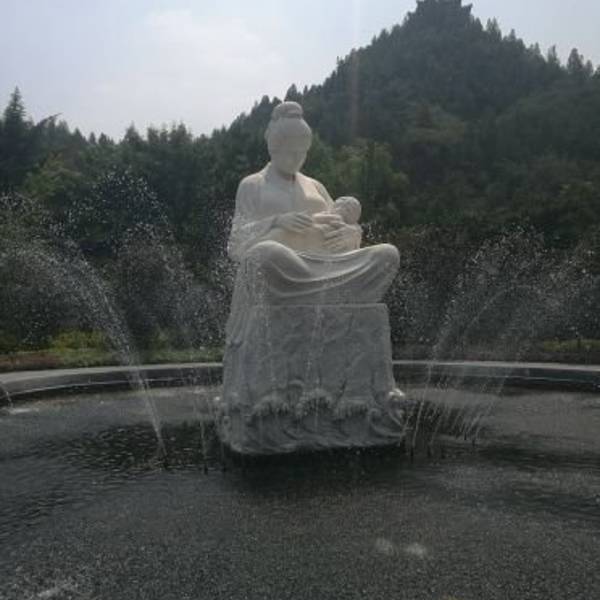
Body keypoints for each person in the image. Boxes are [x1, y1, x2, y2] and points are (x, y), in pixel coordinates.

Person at [225, 101, 399, 345]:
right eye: (290, 151)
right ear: (274, 147)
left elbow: (343, 221)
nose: (297, 158)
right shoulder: (253, 185)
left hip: (329, 267)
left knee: (387, 255)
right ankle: (329, 294)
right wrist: (277, 222)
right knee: (264, 254)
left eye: (302, 152)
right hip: (285, 269)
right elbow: (236, 246)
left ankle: (329, 294)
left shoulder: (315, 186)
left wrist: (352, 233)